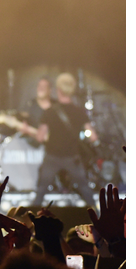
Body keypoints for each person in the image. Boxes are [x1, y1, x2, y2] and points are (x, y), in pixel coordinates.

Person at [30, 72, 98, 208]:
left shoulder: (49, 112)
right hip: (72, 158)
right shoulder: (79, 112)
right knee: (86, 191)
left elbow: (40, 137)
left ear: (58, 90)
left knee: (40, 193)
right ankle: (99, 219)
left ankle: (29, 224)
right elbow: (93, 136)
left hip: (52, 158)